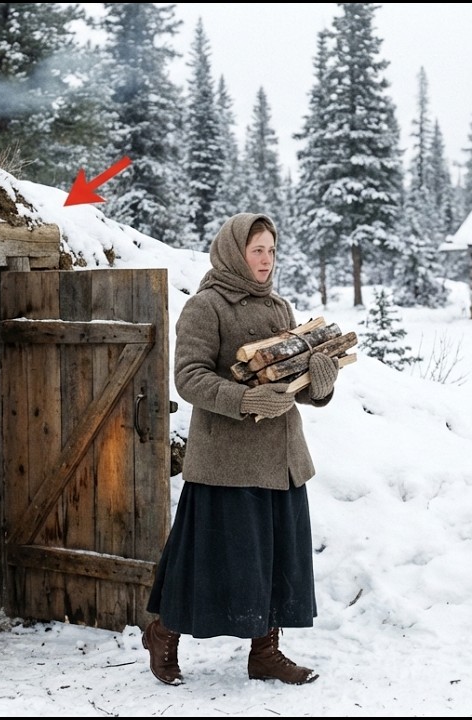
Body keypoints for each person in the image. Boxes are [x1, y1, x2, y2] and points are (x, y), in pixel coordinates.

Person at [142, 212, 338, 687]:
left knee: (276, 560)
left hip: (282, 459)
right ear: (234, 253)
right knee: (206, 563)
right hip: (226, 463)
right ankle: (163, 633)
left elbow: (288, 380)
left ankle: (265, 653)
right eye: (257, 251)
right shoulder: (206, 306)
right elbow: (189, 377)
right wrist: (245, 399)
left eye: (271, 250)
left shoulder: (280, 307)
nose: (266, 260)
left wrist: (319, 384)